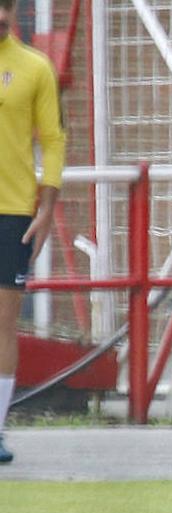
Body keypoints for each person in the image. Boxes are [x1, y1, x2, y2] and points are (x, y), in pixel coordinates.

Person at [0, 0, 65, 464]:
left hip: (12, 213)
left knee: (3, 325)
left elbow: (54, 139)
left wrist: (46, 208)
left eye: (5, 6)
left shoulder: (34, 67)